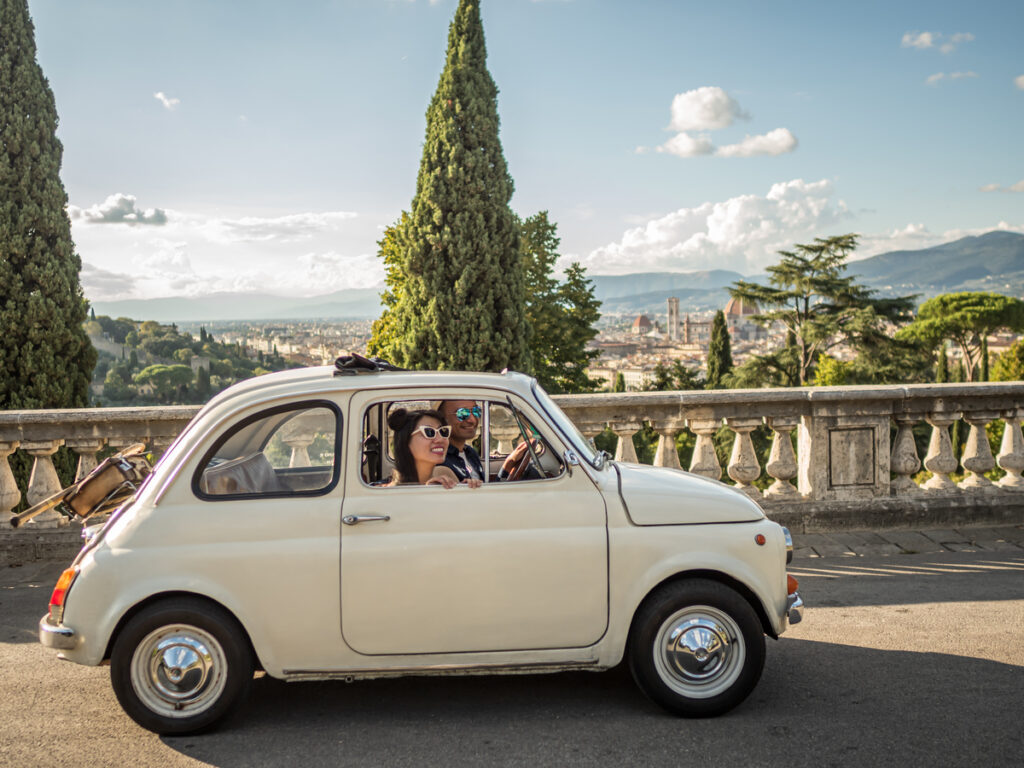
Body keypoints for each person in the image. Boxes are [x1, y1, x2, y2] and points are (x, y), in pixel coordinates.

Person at [437, 400, 541, 482]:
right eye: (462, 413)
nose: (472, 419)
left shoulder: (470, 453)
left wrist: (508, 465)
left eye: (476, 411)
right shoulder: (440, 459)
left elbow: (486, 494)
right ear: (443, 420)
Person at [386, 408, 481, 488]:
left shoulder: (444, 472)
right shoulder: (392, 490)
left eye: (443, 432)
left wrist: (467, 489)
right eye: (429, 432)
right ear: (406, 441)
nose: (440, 439)